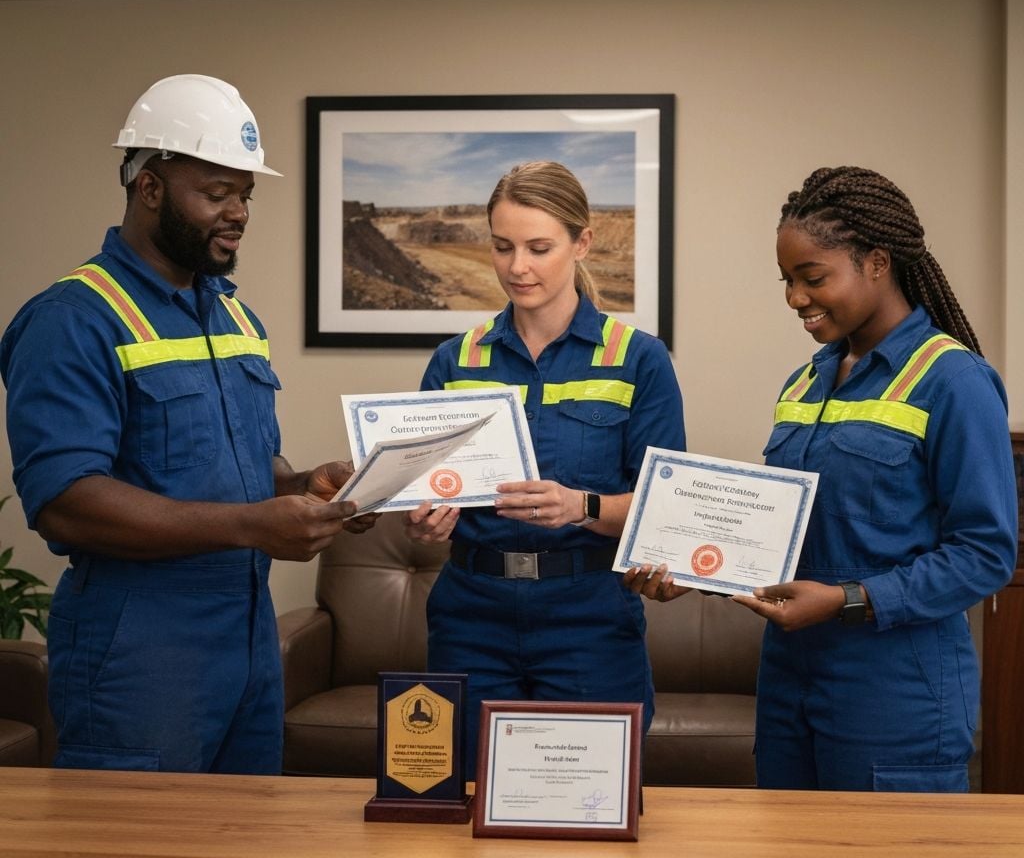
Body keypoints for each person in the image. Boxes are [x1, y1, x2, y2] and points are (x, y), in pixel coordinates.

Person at [0, 74, 373, 775]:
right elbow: (64, 504)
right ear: (149, 188)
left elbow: (243, 470)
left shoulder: (232, 315)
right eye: (216, 193)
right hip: (141, 646)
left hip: (247, 638)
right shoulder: (72, 318)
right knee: (139, 843)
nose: (237, 212)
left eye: (245, 195)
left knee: (246, 837)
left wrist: (304, 485)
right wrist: (254, 526)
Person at [626, 166, 1017, 792]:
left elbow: (985, 554)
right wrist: (697, 571)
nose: (795, 298)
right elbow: (777, 535)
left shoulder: (954, 381)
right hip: (788, 679)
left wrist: (847, 601)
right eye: (787, 281)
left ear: (878, 263)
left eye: (813, 278)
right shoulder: (805, 383)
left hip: (894, 688)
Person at [404, 160, 686, 775]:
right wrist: (426, 521)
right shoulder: (455, 361)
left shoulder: (638, 359)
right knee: (462, 802)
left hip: (588, 615)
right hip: (469, 614)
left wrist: (580, 507)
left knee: (586, 811)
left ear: (581, 242)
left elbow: (668, 513)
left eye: (538, 248)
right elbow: (424, 492)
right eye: (502, 247)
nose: (516, 267)